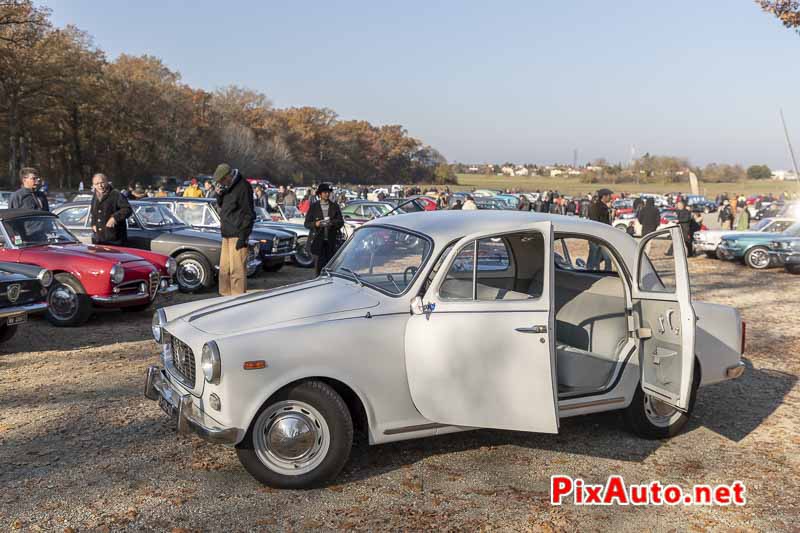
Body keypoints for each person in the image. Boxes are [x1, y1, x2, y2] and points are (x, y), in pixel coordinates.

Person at [213, 163, 255, 296]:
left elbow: (249, 214)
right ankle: (224, 297)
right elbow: (223, 206)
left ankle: (237, 300)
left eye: (221, 181)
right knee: (224, 271)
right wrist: (219, 195)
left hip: (238, 234)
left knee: (237, 271)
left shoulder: (243, 187)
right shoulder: (227, 187)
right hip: (226, 234)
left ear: (228, 176)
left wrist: (243, 236)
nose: (220, 183)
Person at [304, 183, 344, 275]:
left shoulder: (335, 206)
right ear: (320, 194)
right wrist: (316, 224)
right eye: (325, 192)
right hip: (318, 241)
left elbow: (341, 222)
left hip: (331, 241)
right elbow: (306, 224)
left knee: (331, 266)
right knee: (319, 267)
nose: (327, 194)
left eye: (328, 192)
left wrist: (332, 223)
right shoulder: (314, 206)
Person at [89, 173, 132, 245]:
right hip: (99, 239)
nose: (100, 186)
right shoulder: (95, 195)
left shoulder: (116, 194)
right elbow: (93, 212)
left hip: (115, 239)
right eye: (97, 184)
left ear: (107, 182)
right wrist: (93, 224)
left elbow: (127, 209)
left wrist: (114, 218)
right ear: (93, 185)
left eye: (102, 182)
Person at [587, 189, 612, 269]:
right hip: (600, 236)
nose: (610, 197)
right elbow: (603, 223)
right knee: (600, 257)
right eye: (609, 196)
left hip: (595, 236)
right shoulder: (602, 208)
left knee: (596, 258)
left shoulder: (595, 206)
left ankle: (592, 273)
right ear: (604, 196)